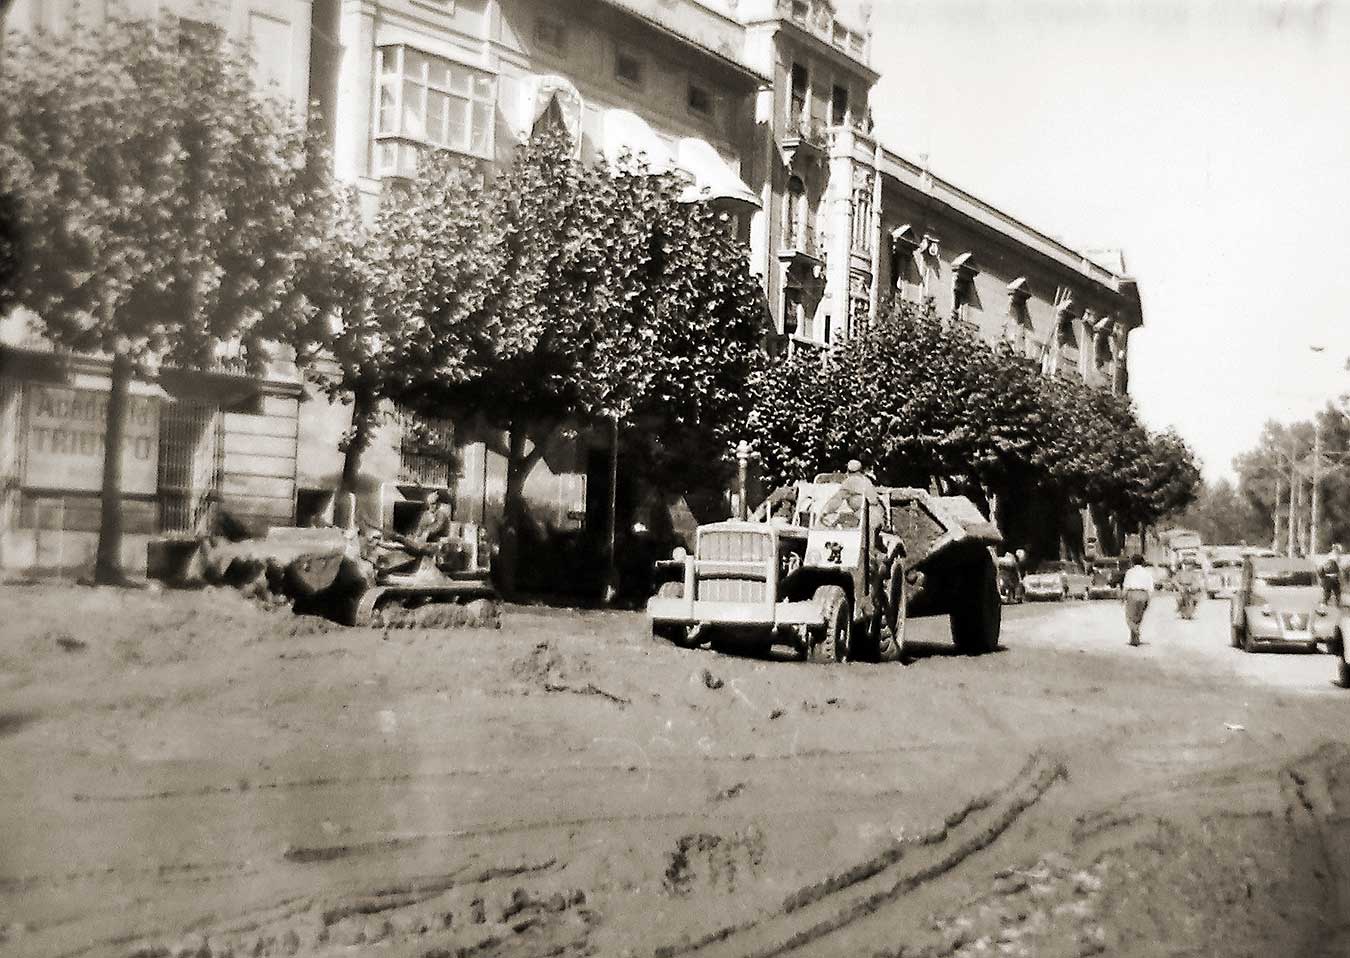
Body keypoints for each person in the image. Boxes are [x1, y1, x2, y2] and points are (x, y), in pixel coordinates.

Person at [1121, 554, 1155, 646]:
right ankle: (1134, 640)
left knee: (1130, 617)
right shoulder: (1147, 572)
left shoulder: (1130, 572)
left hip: (1133, 594)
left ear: (1132, 562)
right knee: (1138, 617)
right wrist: (1149, 599)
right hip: (1144, 594)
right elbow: (1151, 588)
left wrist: (1122, 597)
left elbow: (1126, 586)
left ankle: (1135, 631)